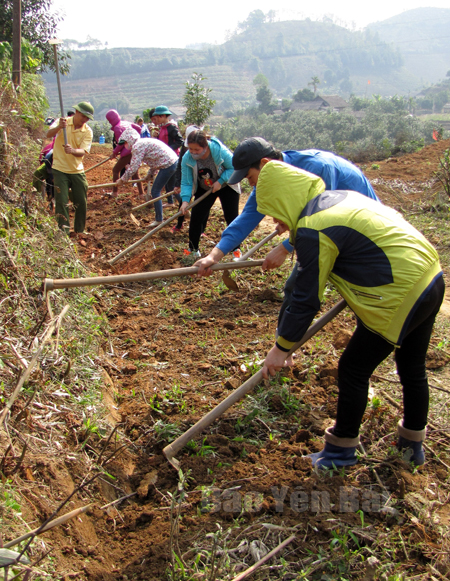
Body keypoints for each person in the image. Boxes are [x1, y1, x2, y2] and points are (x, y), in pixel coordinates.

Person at [257, 160, 444, 469]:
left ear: (284, 198)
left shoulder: (312, 229)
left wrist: (281, 347)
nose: (276, 220)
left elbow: (306, 298)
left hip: (399, 292)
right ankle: (412, 448)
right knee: (412, 366)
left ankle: (339, 453)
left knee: (353, 369)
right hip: (431, 275)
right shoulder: (338, 198)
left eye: (274, 209)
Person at [195, 138, 379, 318]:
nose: (250, 184)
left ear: (265, 163)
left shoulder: (316, 168)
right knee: (300, 286)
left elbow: (320, 221)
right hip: (337, 228)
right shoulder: (270, 177)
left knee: (305, 285)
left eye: (249, 176)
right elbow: (248, 217)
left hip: (366, 228)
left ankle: (284, 343)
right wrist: (213, 256)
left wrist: (285, 248)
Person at [180, 129, 241, 257]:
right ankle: (193, 250)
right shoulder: (187, 158)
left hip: (227, 185)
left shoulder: (219, 151)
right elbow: (186, 182)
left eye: (196, 150)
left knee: (232, 217)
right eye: (190, 149)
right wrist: (185, 200)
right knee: (196, 217)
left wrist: (221, 181)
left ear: (205, 146)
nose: (193, 152)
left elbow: (234, 167)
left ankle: (236, 250)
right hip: (205, 187)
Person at [46, 101, 94, 235]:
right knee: (61, 201)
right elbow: (48, 134)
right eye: (83, 116)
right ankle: (64, 231)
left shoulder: (87, 131)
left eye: (87, 118)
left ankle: (80, 230)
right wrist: (58, 128)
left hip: (77, 169)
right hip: (60, 168)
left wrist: (73, 150)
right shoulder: (62, 122)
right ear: (77, 112)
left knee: (81, 201)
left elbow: (84, 151)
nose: (84, 120)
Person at [115, 128, 178, 227]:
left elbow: (134, 167)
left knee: (155, 191)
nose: (126, 145)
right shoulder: (144, 142)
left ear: (131, 139)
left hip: (168, 165)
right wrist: (149, 175)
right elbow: (154, 160)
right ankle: (186, 209)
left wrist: (122, 179)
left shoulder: (137, 146)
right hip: (174, 161)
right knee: (173, 188)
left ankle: (159, 219)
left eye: (126, 142)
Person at [105, 109, 144, 198]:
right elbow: (138, 128)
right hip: (136, 148)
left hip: (128, 152)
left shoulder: (117, 128)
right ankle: (141, 194)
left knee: (115, 170)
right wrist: (134, 139)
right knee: (134, 172)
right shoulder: (126, 123)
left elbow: (121, 143)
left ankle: (114, 193)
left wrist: (114, 153)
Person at [152, 105, 184, 205]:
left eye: (157, 117)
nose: (155, 120)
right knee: (169, 183)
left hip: (172, 158)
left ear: (163, 116)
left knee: (172, 183)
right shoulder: (161, 128)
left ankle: (182, 205)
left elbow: (180, 141)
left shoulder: (172, 127)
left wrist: (168, 149)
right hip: (165, 159)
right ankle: (171, 202)